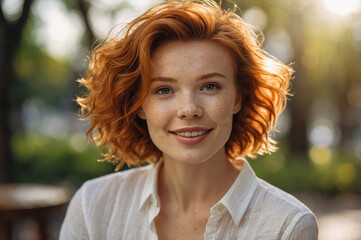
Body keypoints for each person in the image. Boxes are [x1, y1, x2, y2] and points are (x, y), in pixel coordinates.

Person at [60, 0, 318, 239]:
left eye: (209, 86)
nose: (189, 109)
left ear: (238, 98)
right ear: (138, 105)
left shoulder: (288, 225)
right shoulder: (92, 207)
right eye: (164, 90)